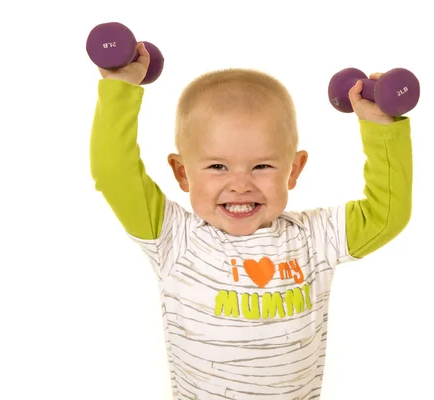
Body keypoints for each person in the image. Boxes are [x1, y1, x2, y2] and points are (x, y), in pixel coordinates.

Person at [90, 42, 413, 399]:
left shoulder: (315, 238)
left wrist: (382, 128)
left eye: (261, 166)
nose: (240, 184)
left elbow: (386, 214)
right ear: (182, 173)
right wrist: (120, 86)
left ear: (294, 169)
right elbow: (113, 171)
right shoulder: (173, 237)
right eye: (217, 166)